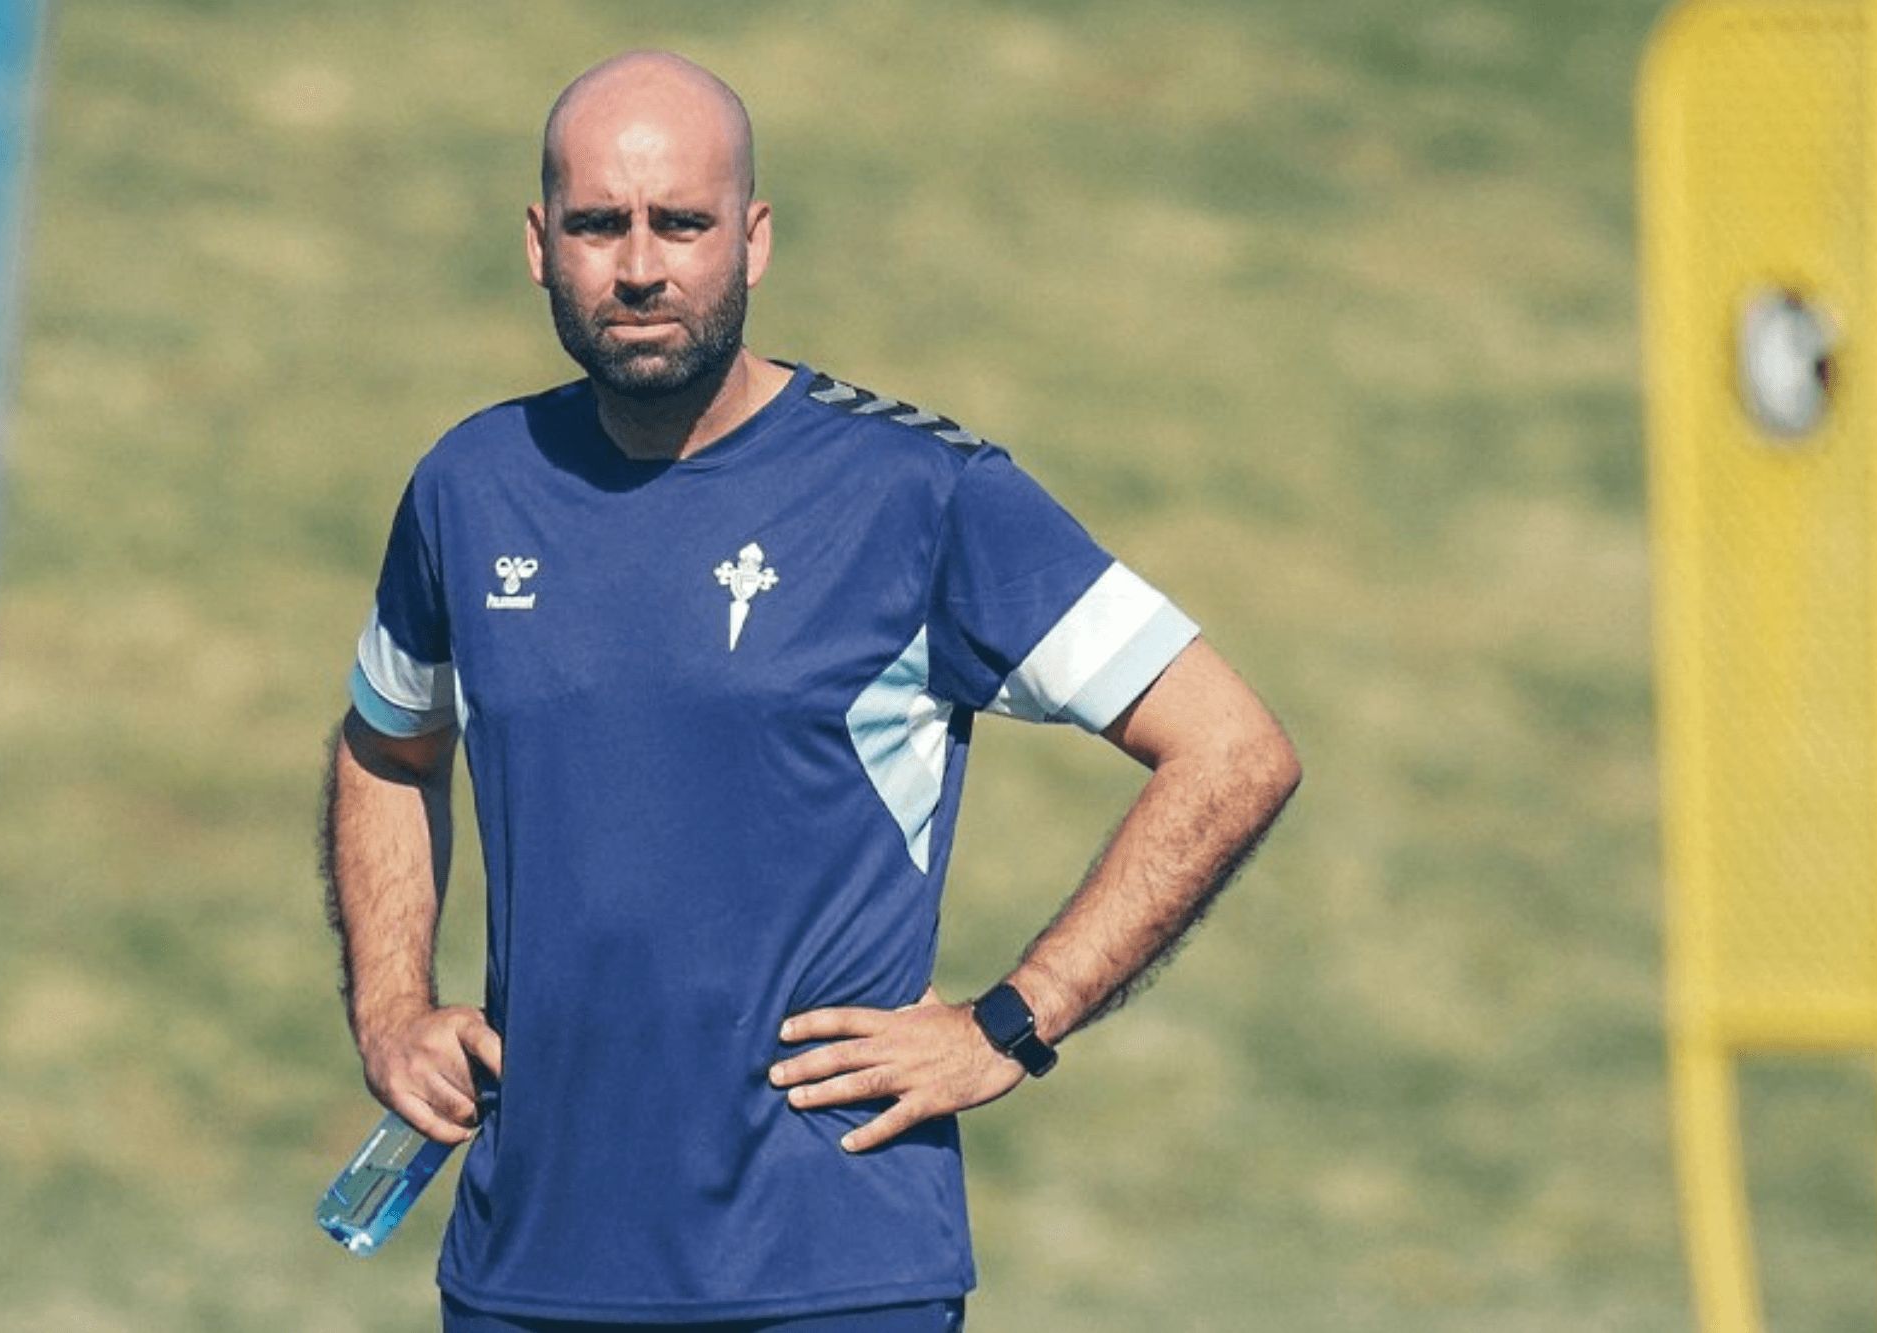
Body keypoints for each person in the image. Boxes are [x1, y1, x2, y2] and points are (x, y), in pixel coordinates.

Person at [321, 50, 1301, 1333]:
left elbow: (1231, 749)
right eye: (597, 225)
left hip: (832, 1273)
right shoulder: (469, 482)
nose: (639, 266)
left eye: (682, 223)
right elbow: (386, 750)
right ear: (537, 242)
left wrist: (1009, 1024)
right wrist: (391, 1008)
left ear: (753, 238)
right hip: (525, 1270)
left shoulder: (919, 494)